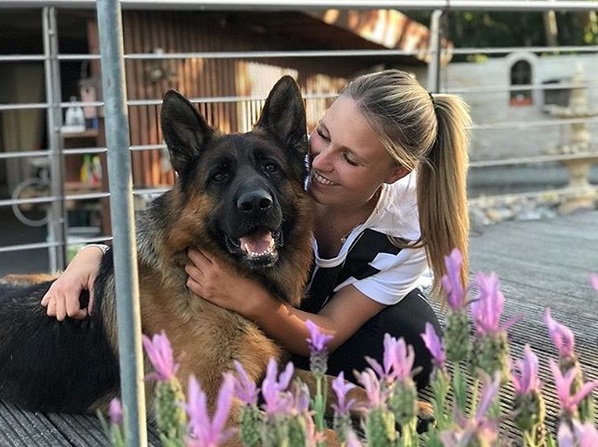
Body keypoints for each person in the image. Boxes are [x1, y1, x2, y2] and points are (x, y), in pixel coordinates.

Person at [41, 69, 471, 390]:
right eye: (321, 135)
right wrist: (95, 252)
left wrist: (251, 299)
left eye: (350, 159)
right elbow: (172, 220)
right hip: (278, 298)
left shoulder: (409, 224)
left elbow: (329, 333)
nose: (321, 164)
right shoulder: (296, 163)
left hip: (319, 314)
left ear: (396, 171)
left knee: (415, 346)